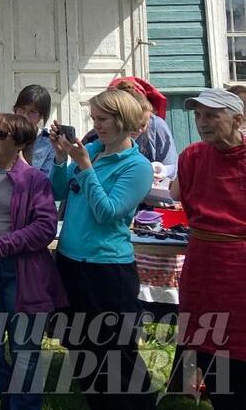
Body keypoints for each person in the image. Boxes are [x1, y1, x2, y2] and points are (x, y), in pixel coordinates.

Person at [49, 88, 155, 409]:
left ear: (123, 120)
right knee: (81, 349)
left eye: (103, 119)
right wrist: (60, 159)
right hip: (71, 263)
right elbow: (56, 189)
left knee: (116, 354)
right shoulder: (92, 149)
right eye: (94, 118)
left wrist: (85, 168)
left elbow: (107, 212)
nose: (96, 125)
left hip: (107, 270)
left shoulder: (137, 167)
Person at [0, 114, 65, 410]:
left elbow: (46, 227)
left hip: (24, 274)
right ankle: (15, 400)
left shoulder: (35, 180)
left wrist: (1, 246)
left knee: (24, 351)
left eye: (1, 135)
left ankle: (23, 405)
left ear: (20, 144)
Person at [171, 88, 246, 408]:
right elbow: (187, 204)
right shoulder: (191, 156)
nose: (202, 122)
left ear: (238, 120)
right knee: (207, 346)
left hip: (240, 267)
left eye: (212, 115)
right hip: (202, 263)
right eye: (198, 115)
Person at [79, 78, 178, 179]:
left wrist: (161, 172)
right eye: (95, 119)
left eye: (143, 124)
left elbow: (171, 170)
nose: (137, 129)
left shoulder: (157, 126)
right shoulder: (94, 140)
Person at [0, 84, 55, 175]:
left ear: (42, 116)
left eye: (32, 112)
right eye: (21, 109)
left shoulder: (48, 143)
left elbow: (45, 182)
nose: (24, 116)